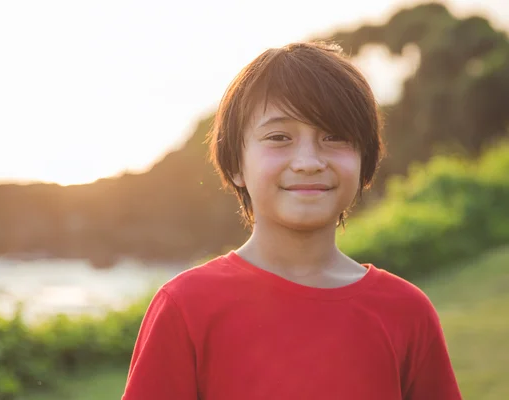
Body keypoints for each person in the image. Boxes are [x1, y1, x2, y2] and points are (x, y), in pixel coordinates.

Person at [121, 41, 462, 399]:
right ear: (236, 164)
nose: (308, 161)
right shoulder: (185, 307)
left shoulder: (407, 311)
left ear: (365, 161)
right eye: (279, 137)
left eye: (335, 137)